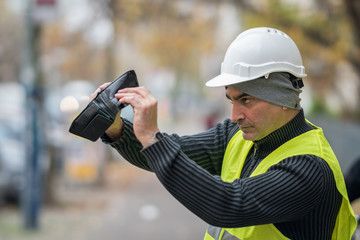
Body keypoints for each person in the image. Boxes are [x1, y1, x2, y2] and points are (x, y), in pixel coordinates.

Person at [92, 27, 357, 239]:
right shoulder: (237, 135)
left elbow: (230, 205)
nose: (235, 115)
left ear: (283, 97)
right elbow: (166, 154)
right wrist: (117, 128)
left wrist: (153, 138)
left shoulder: (310, 168)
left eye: (246, 100)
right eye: (232, 101)